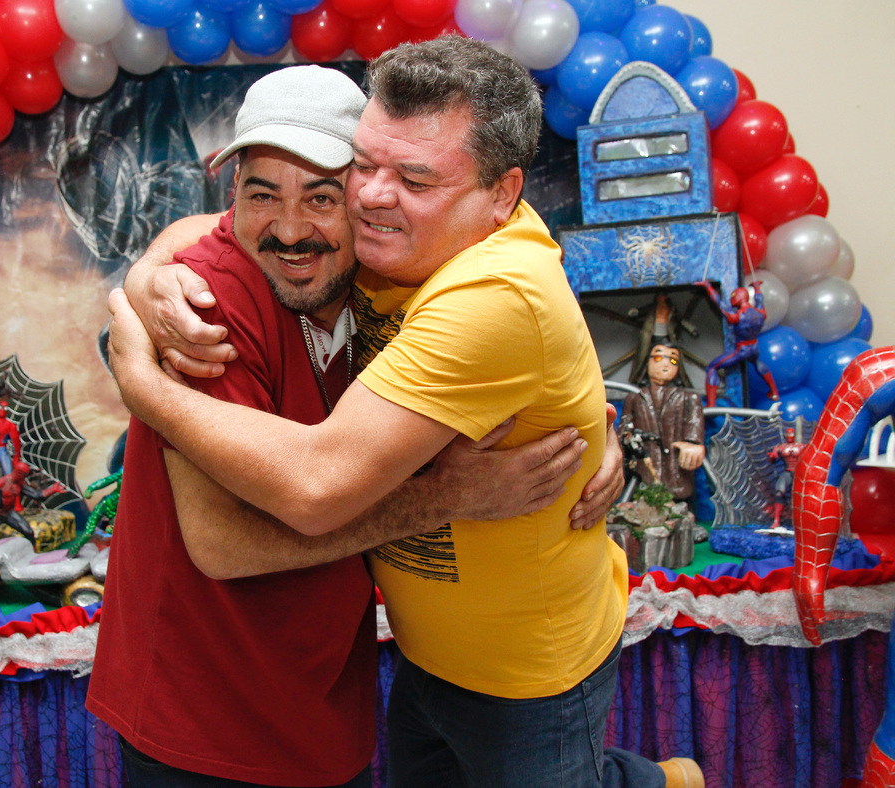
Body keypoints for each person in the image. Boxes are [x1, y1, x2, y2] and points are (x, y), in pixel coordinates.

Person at [107, 39, 701, 788]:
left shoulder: (435, 274)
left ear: (499, 194)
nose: (292, 227)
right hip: (227, 708)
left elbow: (323, 479)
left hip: (504, 669)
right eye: (368, 168)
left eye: (326, 195)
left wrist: (145, 388)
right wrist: (147, 277)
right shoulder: (235, 295)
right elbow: (224, 541)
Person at [618, 343, 706, 501]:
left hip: (677, 473)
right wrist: (628, 441)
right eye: (658, 358)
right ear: (647, 362)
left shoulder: (689, 398)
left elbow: (694, 424)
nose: (666, 364)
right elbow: (623, 432)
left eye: (673, 360)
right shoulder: (634, 398)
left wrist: (694, 444)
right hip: (644, 471)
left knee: (681, 503)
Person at [698, 279, 779, 407]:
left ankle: (711, 404)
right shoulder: (760, 313)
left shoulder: (736, 316)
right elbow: (759, 300)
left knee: (712, 367)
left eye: (733, 297)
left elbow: (719, 303)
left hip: (742, 350)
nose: (731, 299)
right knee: (757, 363)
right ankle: (774, 392)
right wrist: (757, 287)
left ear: (738, 298)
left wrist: (708, 286)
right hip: (754, 347)